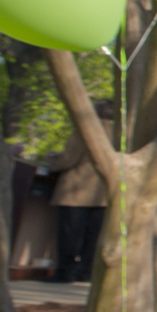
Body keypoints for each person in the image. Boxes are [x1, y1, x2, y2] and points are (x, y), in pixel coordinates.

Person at [42, 101, 115, 283]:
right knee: (93, 237)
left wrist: (51, 161)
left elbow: (69, 158)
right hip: (103, 193)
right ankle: (86, 272)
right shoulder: (122, 134)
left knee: (70, 235)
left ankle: (65, 272)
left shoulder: (86, 130)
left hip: (77, 190)